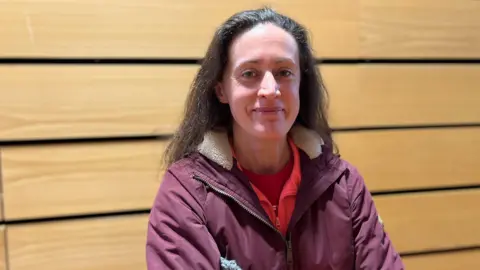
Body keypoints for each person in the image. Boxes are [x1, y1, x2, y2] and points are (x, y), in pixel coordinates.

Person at [146, 7, 404, 270]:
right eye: (250, 73)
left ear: (300, 85)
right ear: (221, 89)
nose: (270, 90)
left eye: (284, 72)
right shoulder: (185, 194)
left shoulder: (346, 187)